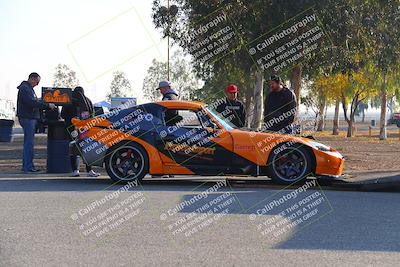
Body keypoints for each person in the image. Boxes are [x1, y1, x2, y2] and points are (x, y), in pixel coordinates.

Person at [17, 73, 56, 173]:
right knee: (29, 143)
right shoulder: (25, 89)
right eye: (37, 81)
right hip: (28, 118)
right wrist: (47, 106)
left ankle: (27, 166)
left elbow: (33, 101)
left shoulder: (27, 88)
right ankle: (28, 167)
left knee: (29, 143)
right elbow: (31, 102)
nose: (37, 84)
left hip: (29, 117)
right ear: (32, 79)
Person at [61, 87, 100, 177]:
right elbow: (93, 115)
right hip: (85, 129)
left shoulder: (68, 101)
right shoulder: (88, 101)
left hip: (72, 129)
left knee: (74, 149)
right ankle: (89, 170)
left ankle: (75, 170)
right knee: (87, 148)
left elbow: (63, 114)